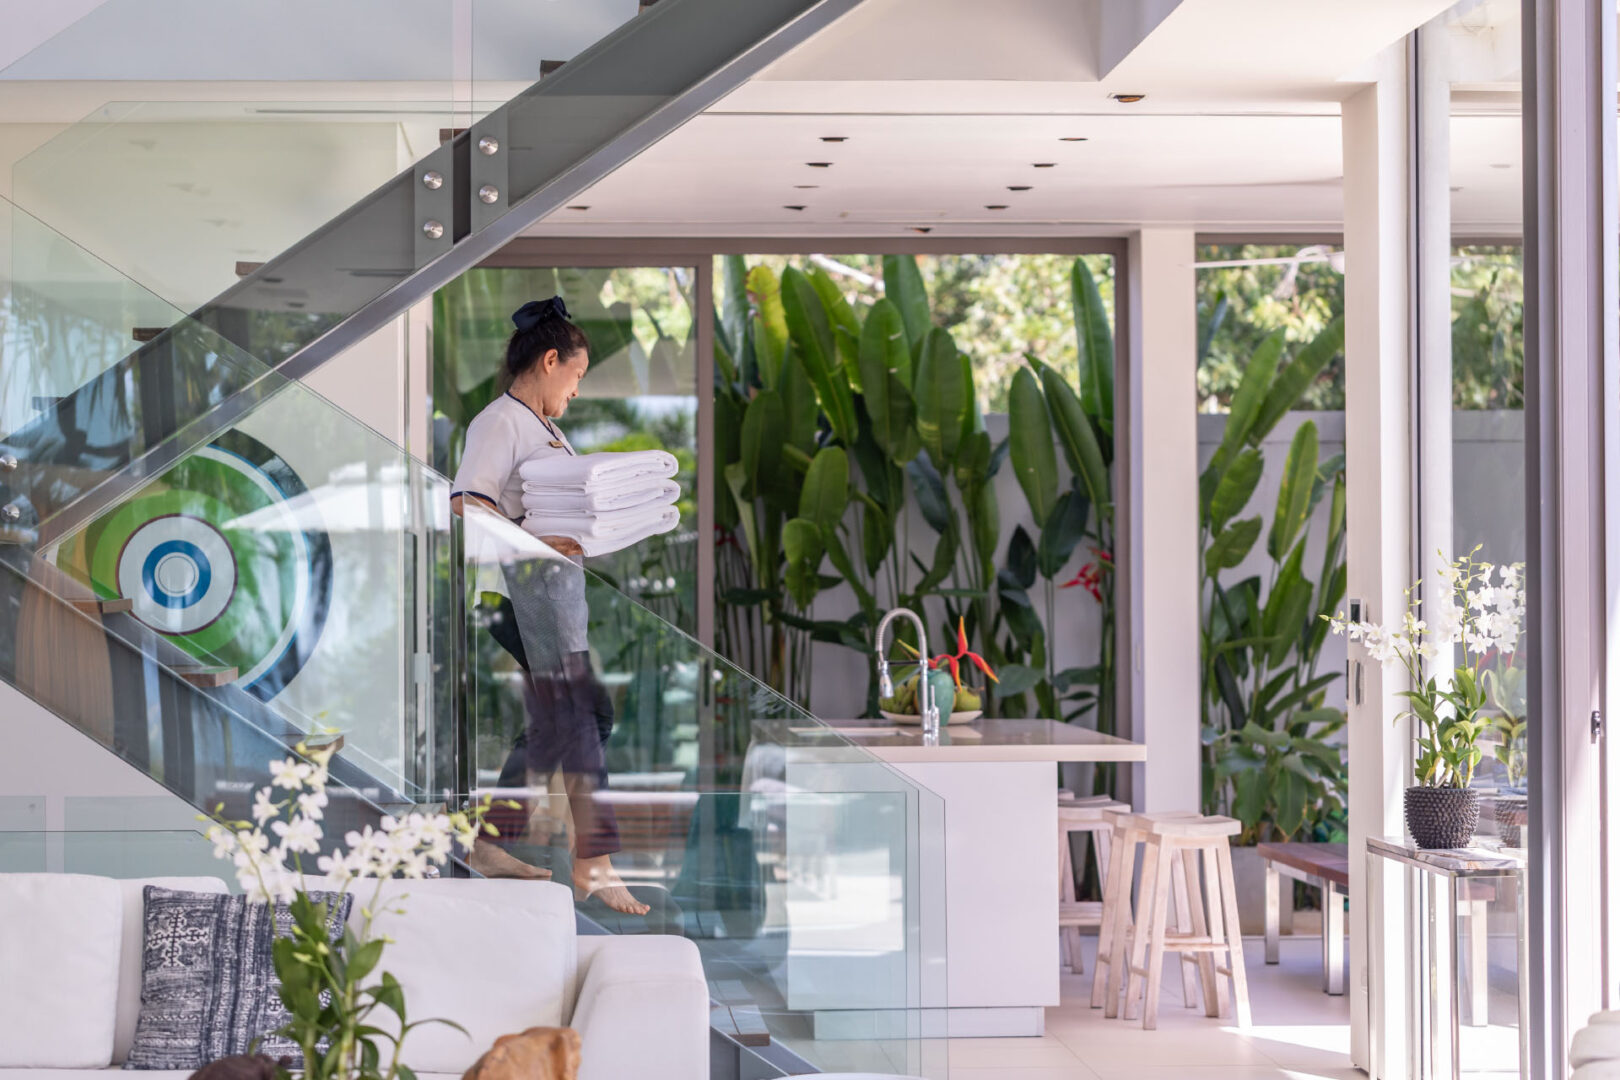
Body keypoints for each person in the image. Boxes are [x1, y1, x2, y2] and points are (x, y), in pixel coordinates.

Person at [450, 296, 650, 917]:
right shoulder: (498, 422)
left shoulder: (545, 428)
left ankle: (489, 842)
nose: (577, 390)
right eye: (577, 374)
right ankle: (594, 860)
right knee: (583, 714)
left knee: (572, 719)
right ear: (550, 360)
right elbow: (465, 503)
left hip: (555, 596)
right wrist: (535, 540)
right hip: (521, 593)